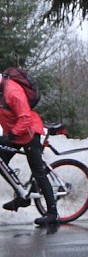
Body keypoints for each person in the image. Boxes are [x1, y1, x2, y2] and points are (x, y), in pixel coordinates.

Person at [0, 73, 59, 227]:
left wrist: (11, 134)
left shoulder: (12, 91)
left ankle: (52, 213)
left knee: (38, 171)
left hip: (29, 132)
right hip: (15, 133)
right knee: (1, 160)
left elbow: (25, 117)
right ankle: (22, 196)